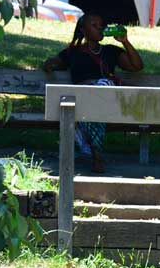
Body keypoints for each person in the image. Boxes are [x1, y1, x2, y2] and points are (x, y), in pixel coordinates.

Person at [42, 13, 145, 173]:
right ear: (83, 30)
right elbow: (52, 63)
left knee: (103, 86)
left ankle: (91, 148)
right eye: (94, 25)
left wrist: (125, 41)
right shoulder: (73, 53)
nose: (100, 28)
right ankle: (96, 152)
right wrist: (50, 64)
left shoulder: (111, 51)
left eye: (101, 25)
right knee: (90, 103)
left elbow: (137, 66)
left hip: (106, 99)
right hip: (83, 101)